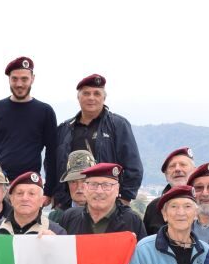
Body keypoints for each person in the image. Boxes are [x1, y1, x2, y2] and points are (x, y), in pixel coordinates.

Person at [0, 56, 59, 205]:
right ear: (9, 79)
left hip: (30, 185)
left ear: (32, 79)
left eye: (24, 79)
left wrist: (48, 190)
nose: (19, 84)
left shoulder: (45, 111)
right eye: (14, 79)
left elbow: (52, 154)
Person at [55, 74, 143, 208]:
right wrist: (60, 199)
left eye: (96, 93)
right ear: (78, 97)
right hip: (72, 203)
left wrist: (124, 198)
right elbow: (53, 164)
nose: (91, 97)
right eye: (86, 93)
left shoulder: (118, 125)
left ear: (104, 98)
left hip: (107, 202)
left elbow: (133, 166)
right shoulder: (64, 128)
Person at [143, 147, 196, 235]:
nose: (177, 169)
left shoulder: (205, 202)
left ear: (194, 171)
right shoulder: (154, 208)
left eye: (183, 165)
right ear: (166, 176)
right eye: (172, 166)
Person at [48, 150, 94, 223]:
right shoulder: (55, 218)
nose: (79, 187)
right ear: (67, 185)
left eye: (84, 180)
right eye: (73, 181)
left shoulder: (105, 214)